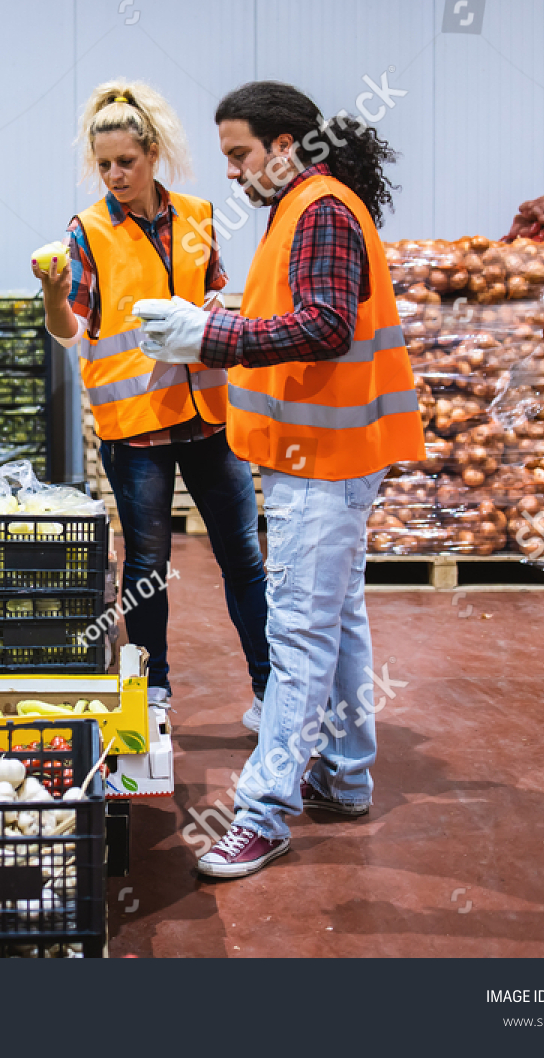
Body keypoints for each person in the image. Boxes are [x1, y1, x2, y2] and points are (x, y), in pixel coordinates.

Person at [136, 81, 425, 879]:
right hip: (321, 459)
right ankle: (344, 774)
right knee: (338, 619)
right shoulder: (299, 209)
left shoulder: (320, 208)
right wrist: (217, 314)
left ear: (286, 145)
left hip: (320, 466)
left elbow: (327, 324)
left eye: (239, 154)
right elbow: (294, 308)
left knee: (297, 634)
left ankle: (263, 813)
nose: (232, 171)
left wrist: (213, 334)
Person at [32, 79, 270, 722]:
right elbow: (69, 330)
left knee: (244, 556)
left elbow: (214, 291)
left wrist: (214, 311)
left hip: (209, 418)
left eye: (126, 162)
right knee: (147, 566)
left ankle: (270, 689)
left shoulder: (197, 216)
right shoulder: (86, 232)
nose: (114, 175)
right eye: (104, 164)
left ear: (153, 152)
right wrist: (54, 295)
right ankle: (156, 688)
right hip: (134, 427)